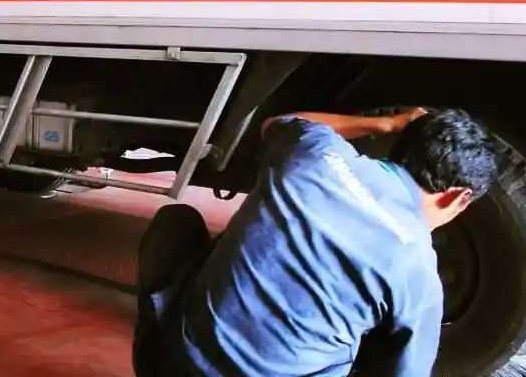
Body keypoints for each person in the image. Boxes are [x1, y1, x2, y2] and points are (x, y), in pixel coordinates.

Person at [133, 107, 500, 376]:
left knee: (176, 222)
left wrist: (386, 123)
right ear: (458, 197)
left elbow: (275, 123)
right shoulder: (418, 271)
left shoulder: (315, 151)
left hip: (165, 363)